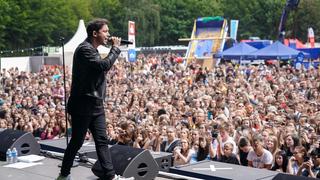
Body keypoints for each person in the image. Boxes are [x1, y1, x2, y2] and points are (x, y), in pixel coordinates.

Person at [56, 19, 133, 180]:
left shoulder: (92, 49)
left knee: (102, 141)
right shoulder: (85, 49)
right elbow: (103, 66)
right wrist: (115, 49)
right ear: (95, 33)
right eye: (105, 31)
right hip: (83, 104)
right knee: (77, 142)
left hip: (95, 104)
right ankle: (64, 175)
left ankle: (111, 176)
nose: (108, 34)